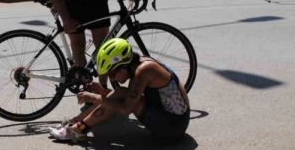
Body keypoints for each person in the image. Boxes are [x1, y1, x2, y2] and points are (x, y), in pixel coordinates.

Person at [49, 38, 190, 144]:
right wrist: (102, 92)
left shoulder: (144, 70)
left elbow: (125, 109)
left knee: (121, 98)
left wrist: (94, 98)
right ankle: (75, 123)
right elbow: (128, 95)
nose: (111, 77)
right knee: (121, 92)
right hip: (171, 117)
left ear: (123, 66)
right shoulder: (139, 63)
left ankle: (77, 131)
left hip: (172, 128)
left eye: (112, 73)